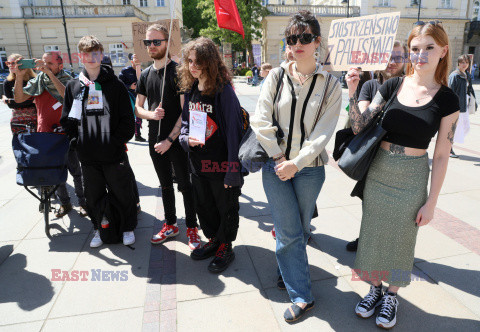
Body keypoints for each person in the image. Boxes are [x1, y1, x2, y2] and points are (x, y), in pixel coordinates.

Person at [346, 21, 459, 329]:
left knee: (402, 237)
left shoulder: (447, 98)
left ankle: (392, 294)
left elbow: (441, 153)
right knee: (372, 234)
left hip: (412, 175)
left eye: (428, 48)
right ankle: (374, 289)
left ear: (443, 51)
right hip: (379, 169)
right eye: (415, 49)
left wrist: (432, 202)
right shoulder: (393, 85)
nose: (420, 56)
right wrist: (354, 92)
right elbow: (360, 125)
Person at [251, 10, 342, 322]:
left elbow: (323, 133)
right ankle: (302, 296)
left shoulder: (331, 85)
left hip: (310, 169)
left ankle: (287, 269)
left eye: (305, 37)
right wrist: (280, 159)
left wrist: (297, 163)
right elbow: (259, 120)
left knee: (299, 228)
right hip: (275, 167)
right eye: (292, 38)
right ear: (287, 43)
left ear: (317, 42)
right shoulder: (275, 77)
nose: (298, 43)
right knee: (289, 230)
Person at [60, 35, 137, 247]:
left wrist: (115, 142)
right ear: (79, 57)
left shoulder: (116, 85)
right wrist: (77, 141)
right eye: (86, 54)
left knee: (122, 192)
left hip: (113, 153)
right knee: (92, 195)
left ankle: (127, 227)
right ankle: (98, 228)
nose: (91, 57)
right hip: (88, 155)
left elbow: (127, 120)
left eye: (95, 53)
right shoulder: (74, 86)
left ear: (101, 55)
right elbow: (67, 119)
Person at [178, 37, 245, 273]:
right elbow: (185, 125)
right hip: (198, 166)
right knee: (204, 207)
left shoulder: (224, 92)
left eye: (198, 61)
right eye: (190, 61)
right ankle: (214, 240)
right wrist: (186, 139)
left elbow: (234, 134)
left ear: (211, 62)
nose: (193, 66)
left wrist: (232, 172)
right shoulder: (192, 89)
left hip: (221, 166)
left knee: (225, 207)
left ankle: (226, 246)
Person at [134, 24, 199, 250]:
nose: (151, 46)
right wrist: (151, 114)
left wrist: (169, 140)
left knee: (185, 185)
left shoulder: (179, 72)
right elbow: (138, 108)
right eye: (148, 42)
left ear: (167, 43)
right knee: (164, 186)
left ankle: (192, 227)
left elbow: (185, 112)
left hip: (176, 140)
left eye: (156, 42)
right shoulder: (145, 74)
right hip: (154, 139)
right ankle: (171, 224)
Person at [345, 40, 408, 252]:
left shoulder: (411, 85)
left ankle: (389, 246)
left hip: (400, 156)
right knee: (369, 202)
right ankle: (367, 239)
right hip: (372, 153)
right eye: (387, 57)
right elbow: (359, 123)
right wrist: (352, 90)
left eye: (398, 57)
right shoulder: (370, 85)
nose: (392, 62)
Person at [12, 51, 87, 218]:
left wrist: (48, 74)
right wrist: (18, 76)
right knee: (55, 172)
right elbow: (18, 98)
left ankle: (83, 203)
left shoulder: (69, 80)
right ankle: (65, 204)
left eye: (49, 64)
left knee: (76, 171)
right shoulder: (38, 82)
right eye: (43, 62)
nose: (43, 66)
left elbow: (66, 94)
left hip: (67, 133)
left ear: (60, 66)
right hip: (46, 135)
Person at [448, 54, 477, 158]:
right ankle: (449, 149)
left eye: (467, 63)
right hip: (456, 106)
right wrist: (452, 107)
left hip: (465, 105)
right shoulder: (455, 75)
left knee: (464, 127)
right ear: (458, 63)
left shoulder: (467, 75)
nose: (464, 65)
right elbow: (450, 92)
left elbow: (470, 89)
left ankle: (449, 147)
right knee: (453, 128)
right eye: (462, 62)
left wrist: (474, 102)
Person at [2, 54, 37, 134]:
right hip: (18, 119)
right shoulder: (7, 82)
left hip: (35, 117)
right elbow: (12, 105)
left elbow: (38, 101)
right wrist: (31, 100)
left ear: (22, 64)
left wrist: (9, 100)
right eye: (8, 63)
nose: (10, 65)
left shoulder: (33, 80)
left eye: (13, 63)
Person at [120, 54, 146, 142]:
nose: (137, 62)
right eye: (135, 60)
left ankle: (137, 135)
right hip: (128, 97)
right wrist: (129, 87)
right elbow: (119, 84)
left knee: (139, 117)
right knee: (128, 117)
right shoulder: (125, 71)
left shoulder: (141, 71)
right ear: (131, 61)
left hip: (138, 97)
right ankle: (126, 134)